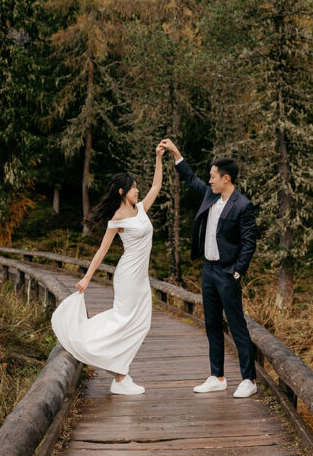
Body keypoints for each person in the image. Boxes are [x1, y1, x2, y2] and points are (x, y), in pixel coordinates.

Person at [51, 146, 164, 395]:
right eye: (134, 187)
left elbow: (157, 186)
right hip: (127, 277)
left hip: (141, 278)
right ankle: (120, 377)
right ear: (123, 192)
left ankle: (120, 374)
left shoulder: (141, 209)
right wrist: (87, 278)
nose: (138, 190)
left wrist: (158, 157)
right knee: (124, 322)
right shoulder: (117, 218)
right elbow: (102, 251)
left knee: (141, 324)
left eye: (138, 187)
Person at [160, 139, 258, 397]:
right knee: (212, 324)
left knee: (236, 325)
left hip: (228, 273)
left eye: (213, 177)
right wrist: (176, 153)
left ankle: (249, 379)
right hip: (208, 271)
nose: (210, 180)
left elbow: (249, 243)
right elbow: (190, 177)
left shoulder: (243, 205)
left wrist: (237, 272)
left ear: (226, 178)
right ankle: (217, 376)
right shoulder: (210, 195)